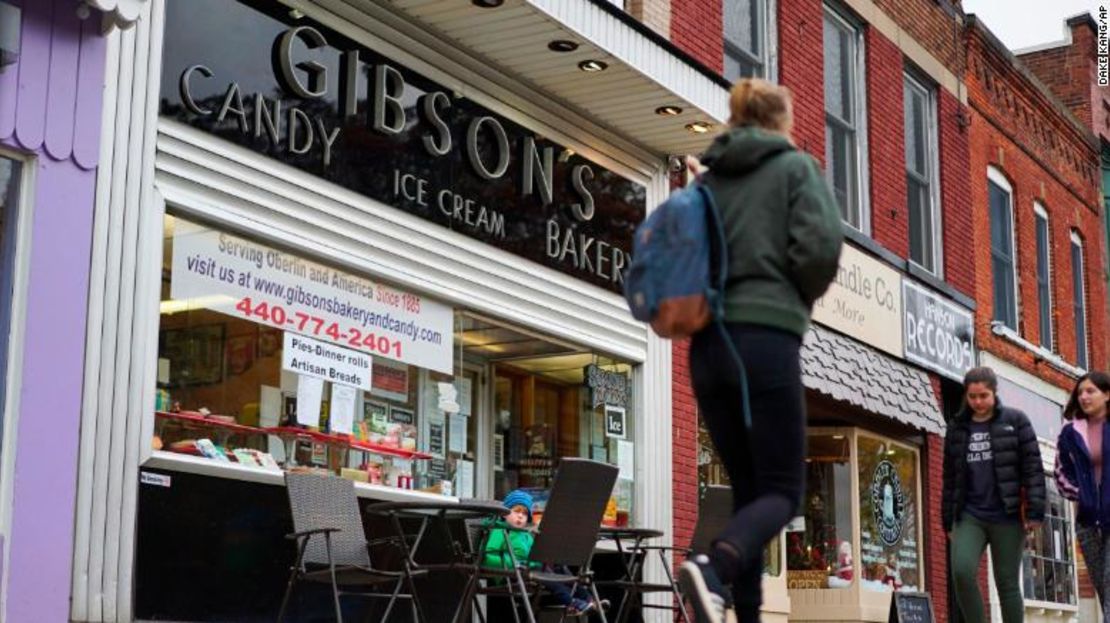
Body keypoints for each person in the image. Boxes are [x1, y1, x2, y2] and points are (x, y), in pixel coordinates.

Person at [677, 78, 843, 623]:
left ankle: (737, 608)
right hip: (763, 342)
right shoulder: (796, 169)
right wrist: (790, 295)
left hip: (706, 350)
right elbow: (819, 250)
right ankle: (713, 570)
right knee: (782, 490)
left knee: (750, 495)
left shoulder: (709, 180)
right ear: (783, 120)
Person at [943, 366, 1045, 623]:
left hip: (1007, 514)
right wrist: (948, 520)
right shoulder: (957, 429)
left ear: (994, 393)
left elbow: (1032, 467)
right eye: (973, 396)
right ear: (966, 395)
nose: (978, 402)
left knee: (1007, 582)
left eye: (984, 396)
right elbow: (950, 477)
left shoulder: (1016, 421)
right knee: (962, 572)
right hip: (969, 515)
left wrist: (1035, 511)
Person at [482, 489, 602, 616]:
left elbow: (534, 554)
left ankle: (589, 599)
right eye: (516, 510)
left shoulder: (525, 534)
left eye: (524, 513)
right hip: (511, 575)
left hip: (530, 571)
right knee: (544, 570)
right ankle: (572, 602)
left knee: (558, 566)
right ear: (504, 513)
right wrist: (517, 564)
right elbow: (488, 557)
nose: (520, 516)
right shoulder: (499, 530)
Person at [1055, 371, 1110, 623]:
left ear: (1107, 394)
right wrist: (1082, 494)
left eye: (1091, 391)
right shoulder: (1070, 432)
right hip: (1087, 521)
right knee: (1103, 587)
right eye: (1080, 392)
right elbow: (1060, 472)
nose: (1084, 397)